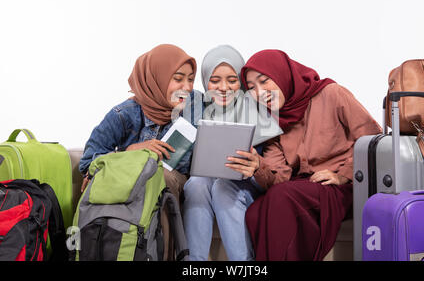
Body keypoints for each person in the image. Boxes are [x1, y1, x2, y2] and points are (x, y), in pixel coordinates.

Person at [237, 49, 382, 261]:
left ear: (281, 74)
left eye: (264, 81)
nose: (259, 92)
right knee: (255, 213)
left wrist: (344, 174)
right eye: (251, 88)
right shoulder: (271, 122)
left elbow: (373, 138)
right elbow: (280, 177)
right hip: (303, 188)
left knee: (281, 197)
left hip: (343, 188)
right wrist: (258, 167)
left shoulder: (332, 93)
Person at [78, 44, 203, 260]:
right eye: (178, 78)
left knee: (160, 176)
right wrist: (131, 152)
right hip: (132, 190)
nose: (187, 87)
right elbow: (88, 161)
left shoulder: (195, 107)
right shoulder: (124, 114)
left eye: (190, 79)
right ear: (157, 78)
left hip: (176, 185)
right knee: (153, 175)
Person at [182, 45, 282, 261]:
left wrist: (256, 164)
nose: (223, 87)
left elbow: (276, 169)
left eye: (232, 80)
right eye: (215, 80)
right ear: (205, 80)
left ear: (242, 81)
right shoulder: (196, 108)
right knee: (196, 183)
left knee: (222, 187)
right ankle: (193, 262)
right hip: (210, 180)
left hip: (248, 184)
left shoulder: (259, 108)